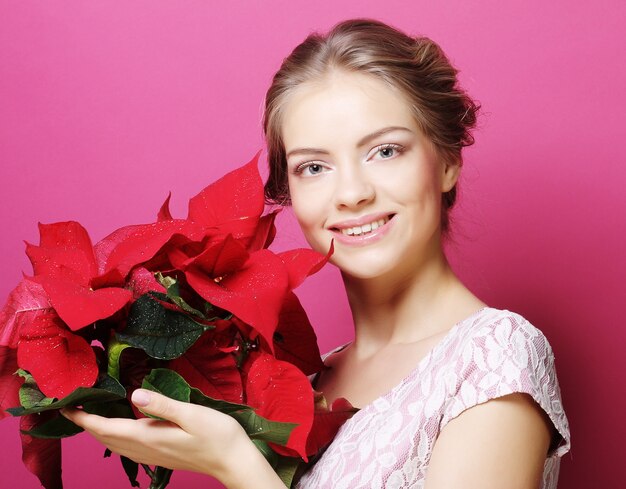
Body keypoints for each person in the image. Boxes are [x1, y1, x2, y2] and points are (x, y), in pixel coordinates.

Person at [62, 18, 571, 488]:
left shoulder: (495, 356)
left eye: (385, 151)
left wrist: (236, 465)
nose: (350, 192)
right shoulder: (309, 380)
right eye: (313, 167)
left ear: (447, 163)